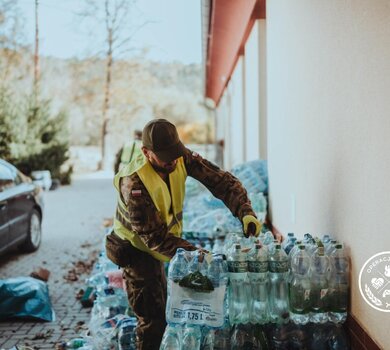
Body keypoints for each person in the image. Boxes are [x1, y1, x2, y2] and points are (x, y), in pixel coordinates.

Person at [111, 118, 262, 349]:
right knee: (154, 318)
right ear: (146, 152)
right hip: (135, 249)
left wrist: (245, 212)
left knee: (169, 308)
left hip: (164, 244)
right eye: (165, 155)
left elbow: (221, 181)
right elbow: (154, 239)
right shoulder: (134, 185)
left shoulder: (179, 156)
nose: (173, 160)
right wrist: (197, 255)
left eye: (175, 152)